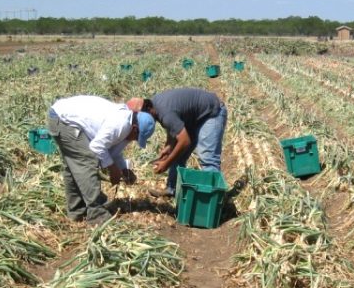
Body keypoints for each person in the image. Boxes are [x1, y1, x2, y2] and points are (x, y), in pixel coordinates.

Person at [47, 95, 155, 224]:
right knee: (86, 161)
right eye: (137, 138)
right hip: (63, 120)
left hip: (62, 118)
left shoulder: (129, 124)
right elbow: (97, 147)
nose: (134, 140)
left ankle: (77, 211)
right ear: (135, 129)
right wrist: (112, 168)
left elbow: (112, 151)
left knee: (74, 166)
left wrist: (123, 169)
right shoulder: (120, 124)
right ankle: (96, 214)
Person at [127, 88, 227, 197]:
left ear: (148, 108)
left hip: (210, 113)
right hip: (194, 117)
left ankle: (213, 203)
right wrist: (169, 146)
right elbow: (174, 126)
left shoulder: (164, 112)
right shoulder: (155, 106)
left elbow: (185, 141)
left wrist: (166, 164)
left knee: (208, 159)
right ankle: (171, 189)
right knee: (176, 153)